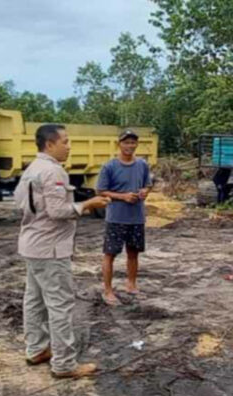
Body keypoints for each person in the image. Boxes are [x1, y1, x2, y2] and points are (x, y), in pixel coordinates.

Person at [14, 124, 110, 378]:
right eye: (65, 142)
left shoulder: (32, 169)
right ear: (50, 144)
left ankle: (36, 348)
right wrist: (88, 204)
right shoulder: (53, 171)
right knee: (60, 305)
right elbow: (58, 211)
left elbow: (20, 203)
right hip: (50, 249)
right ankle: (65, 364)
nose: (69, 147)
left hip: (33, 244)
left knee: (34, 300)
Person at [96, 130, 153, 306]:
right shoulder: (109, 167)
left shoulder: (142, 164)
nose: (130, 146)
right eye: (126, 142)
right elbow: (100, 191)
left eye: (133, 143)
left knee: (133, 253)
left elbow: (147, 185)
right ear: (119, 144)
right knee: (110, 254)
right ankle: (107, 290)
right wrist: (123, 196)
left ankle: (131, 284)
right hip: (116, 218)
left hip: (136, 217)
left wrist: (145, 191)